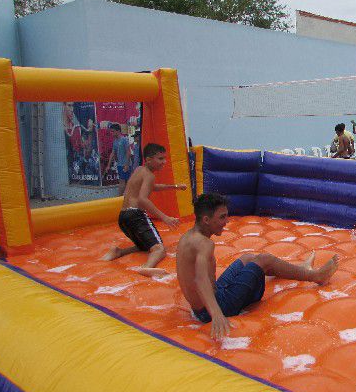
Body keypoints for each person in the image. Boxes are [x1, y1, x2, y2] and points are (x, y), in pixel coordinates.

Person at [177, 193, 339, 340]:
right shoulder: (204, 244)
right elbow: (200, 279)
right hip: (214, 308)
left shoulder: (188, 237)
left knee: (248, 258)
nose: (227, 222)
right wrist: (217, 314)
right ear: (206, 220)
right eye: (222, 217)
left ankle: (301, 269)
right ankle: (315, 276)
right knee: (265, 260)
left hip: (202, 307)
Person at [102, 143, 188, 277]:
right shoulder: (149, 175)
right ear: (148, 159)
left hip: (124, 217)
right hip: (136, 215)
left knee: (144, 246)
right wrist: (165, 217)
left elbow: (153, 187)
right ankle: (146, 268)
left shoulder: (139, 170)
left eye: (165, 158)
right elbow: (143, 199)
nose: (164, 162)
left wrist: (175, 186)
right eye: (160, 159)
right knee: (159, 249)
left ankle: (118, 251)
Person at [104, 123, 132, 195]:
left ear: (118, 131)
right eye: (111, 131)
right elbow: (113, 153)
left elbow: (128, 152)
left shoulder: (124, 139)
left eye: (112, 131)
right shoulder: (115, 141)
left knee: (127, 181)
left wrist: (126, 164)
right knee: (122, 181)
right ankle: (122, 198)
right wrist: (108, 165)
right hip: (120, 165)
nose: (111, 133)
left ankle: (122, 198)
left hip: (125, 164)